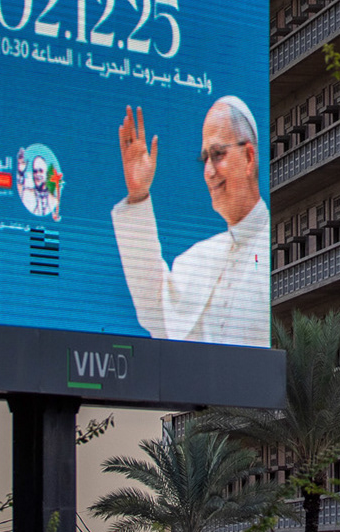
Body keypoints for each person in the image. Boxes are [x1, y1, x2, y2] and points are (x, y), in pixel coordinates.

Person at [110, 97, 269, 346]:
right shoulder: (198, 258)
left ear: (249, 157)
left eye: (217, 155)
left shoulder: (280, 251)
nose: (208, 171)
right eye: (204, 158)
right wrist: (138, 194)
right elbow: (156, 312)